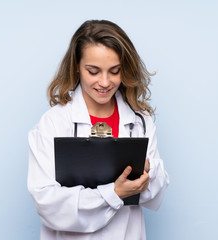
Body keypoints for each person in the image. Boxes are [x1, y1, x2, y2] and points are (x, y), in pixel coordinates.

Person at [27, 19, 169, 240]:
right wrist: (114, 194)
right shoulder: (53, 124)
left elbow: (156, 193)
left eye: (114, 71)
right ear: (77, 66)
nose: (105, 82)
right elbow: (47, 203)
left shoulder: (139, 120)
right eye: (93, 71)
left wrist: (148, 173)